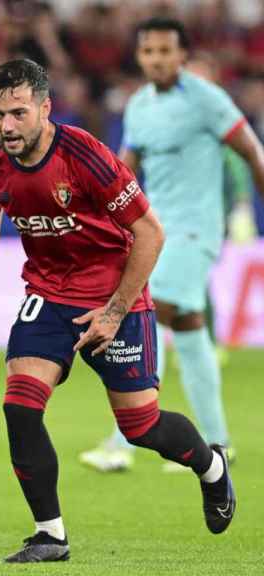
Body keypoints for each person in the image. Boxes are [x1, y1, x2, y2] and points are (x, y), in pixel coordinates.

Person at [0, 59, 235, 563]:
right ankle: (50, 535)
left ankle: (211, 467)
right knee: (20, 405)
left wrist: (115, 311)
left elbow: (149, 233)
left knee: (141, 428)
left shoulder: (88, 157)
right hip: (48, 294)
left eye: (18, 113)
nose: (7, 126)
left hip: (113, 295)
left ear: (44, 108)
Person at [79, 18, 264, 473]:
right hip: (156, 230)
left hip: (198, 228)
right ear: (140, 57)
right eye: (149, 52)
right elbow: (124, 170)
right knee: (188, 323)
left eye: (166, 51)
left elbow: (251, 151)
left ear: (182, 56)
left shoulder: (206, 100)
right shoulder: (140, 105)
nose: (157, 60)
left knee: (148, 310)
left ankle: (121, 442)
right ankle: (217, 441)